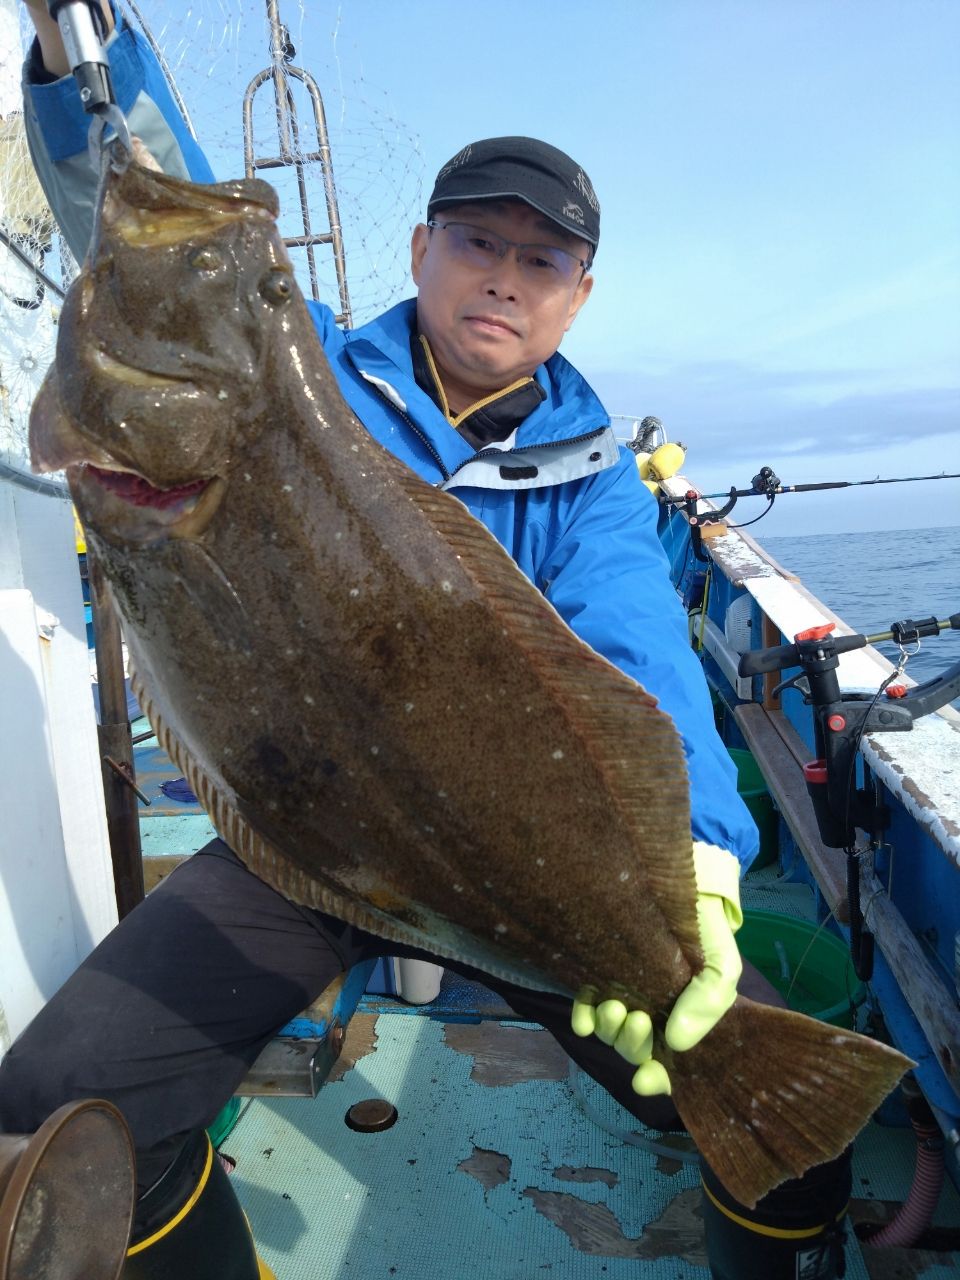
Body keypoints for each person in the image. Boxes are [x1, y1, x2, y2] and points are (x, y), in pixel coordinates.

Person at [3, 5, 851, 1278]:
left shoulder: (594, 482)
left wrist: (702, 860)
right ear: (421, 247)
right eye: (478, 240)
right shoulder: (297, 375)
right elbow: (145, 201)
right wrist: (81, 73)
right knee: (59, 1104)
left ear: (578, 296)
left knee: (789, 1124)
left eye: (542, 259)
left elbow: (640, 654)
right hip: (305, 835)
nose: (505, 275)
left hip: (508, 861)